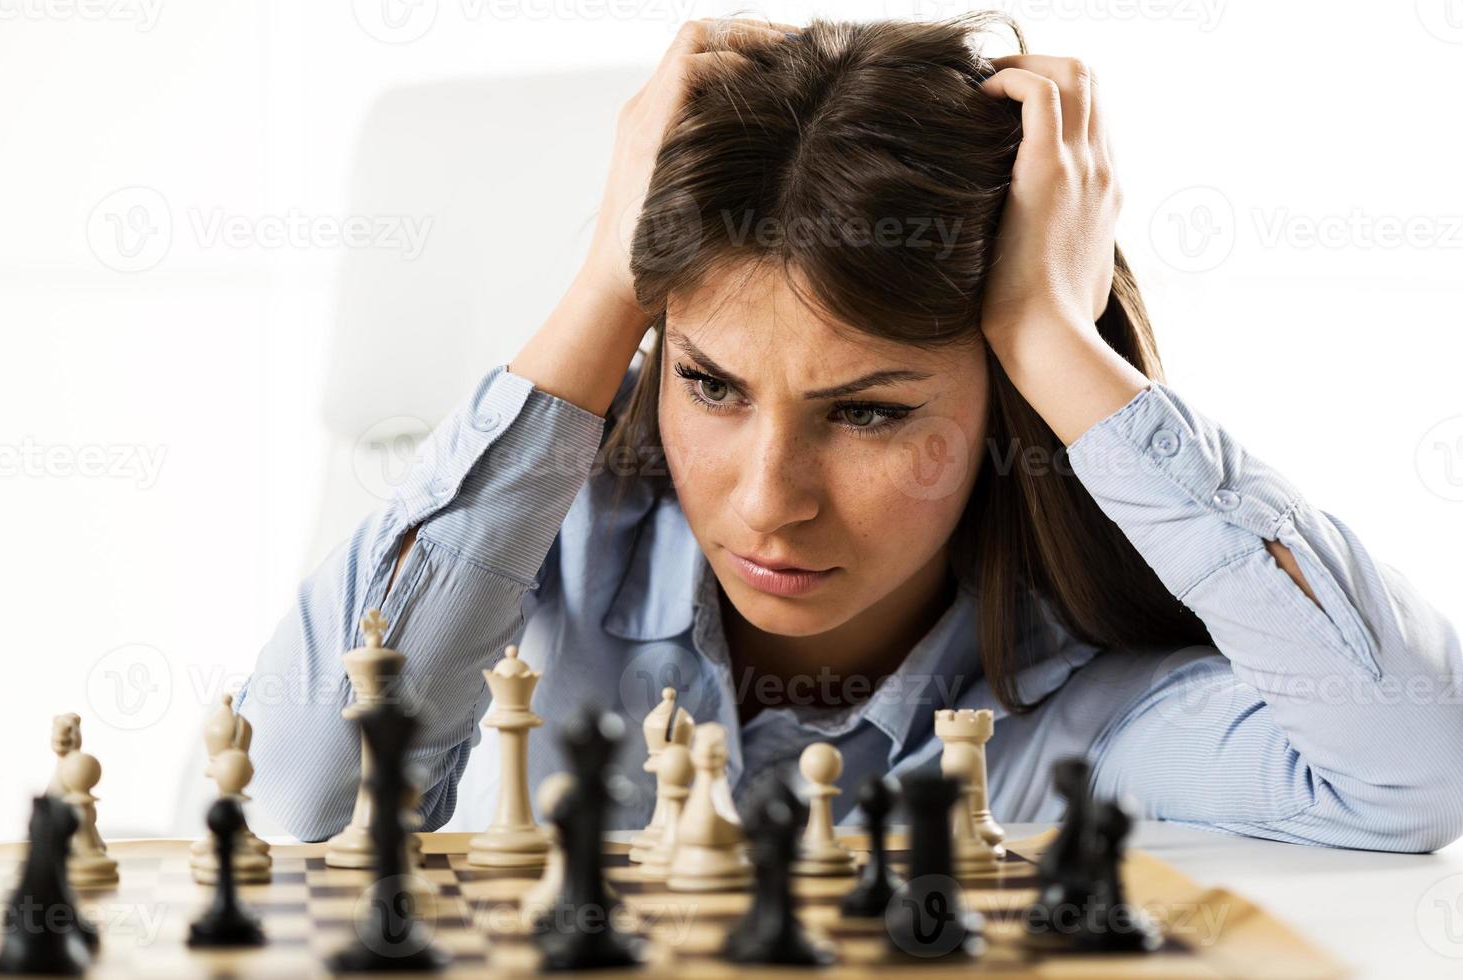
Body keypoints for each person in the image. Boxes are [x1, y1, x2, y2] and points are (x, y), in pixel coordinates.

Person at [234, 14, 1463, 852]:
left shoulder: (1086, 709)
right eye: (712, 386)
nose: (769, 499)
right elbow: (301, 787)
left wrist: (1048, 331)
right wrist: (608, 285)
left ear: (1007, 410)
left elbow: (1417, 765)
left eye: (869, 411)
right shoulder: (528, 591)